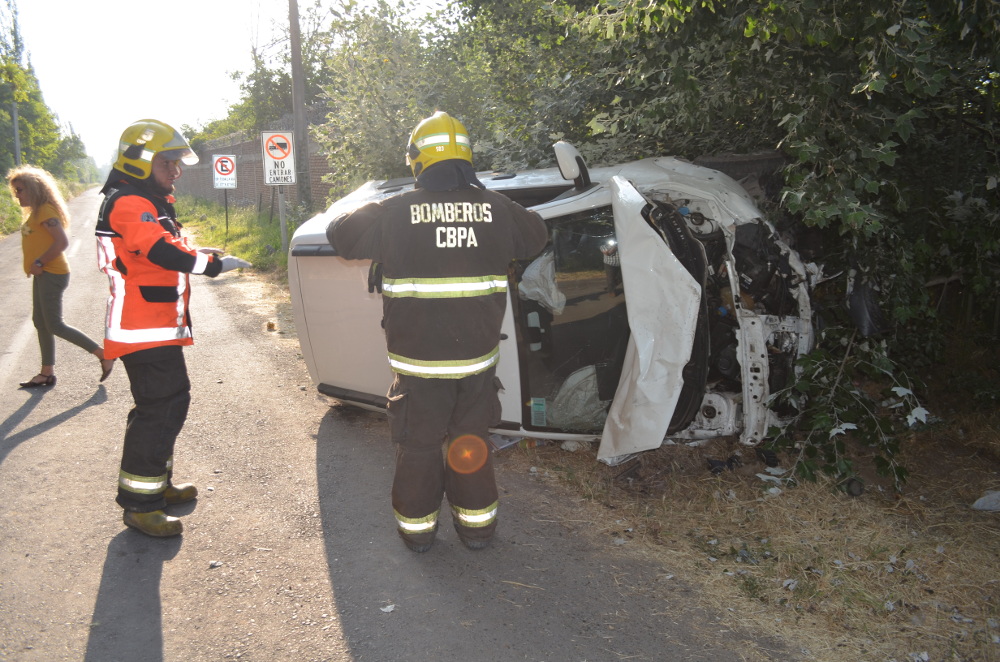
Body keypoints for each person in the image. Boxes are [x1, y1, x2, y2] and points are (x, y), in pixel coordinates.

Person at [326, 111, 548, 552]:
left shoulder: (394, 212)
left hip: (419, 367)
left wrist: (393, 202)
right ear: (467, 158)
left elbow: (340, 234)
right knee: (470, 442)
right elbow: (537, 236)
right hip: (476, 365)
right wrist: (486, 202)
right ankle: (477, 529)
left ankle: (419, 535)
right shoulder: (497, 209)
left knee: (420, 448)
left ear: (417, 161)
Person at [96, 119, 251, 538]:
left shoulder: (145, 201)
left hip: (155, 327)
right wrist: (213, 266)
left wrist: (200, 252)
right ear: (142, 162)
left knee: (167, 404)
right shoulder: (130, 202)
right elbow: (160, 251)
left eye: (179, 163)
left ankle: (155, 488)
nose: (176, 171)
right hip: (141, 329)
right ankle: (141, 505)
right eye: (169, 163)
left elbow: (163, 247)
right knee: (160, 408)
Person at [7, 165, 115, 389]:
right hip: (43, 274)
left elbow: (62, 242)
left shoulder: (46, 211)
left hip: (51, 273)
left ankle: (102, 354)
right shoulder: (37, 212)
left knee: (54, 324)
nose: (17, 195)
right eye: (15, 190)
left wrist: (39, 262)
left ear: (34, 189)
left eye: (20, 190)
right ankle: (46, 373)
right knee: (41, 323)